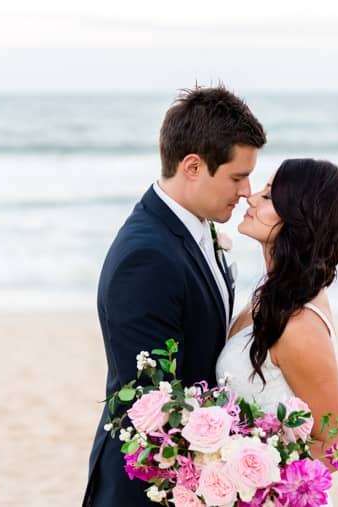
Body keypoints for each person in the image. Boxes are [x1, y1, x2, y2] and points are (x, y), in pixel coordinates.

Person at [83, 86, 266, 506]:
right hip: (144, 485)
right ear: (193, 167)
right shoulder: (146, 256)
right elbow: (153, 401)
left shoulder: (195, 228)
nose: (245, 191)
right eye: (237, 177)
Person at [216, 158, 338, 483]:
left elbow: (336, 447)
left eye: (268, 197)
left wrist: (245, 463)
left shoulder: (298, 324)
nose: (251, 197)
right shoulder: (271, 292)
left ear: (298, 219)